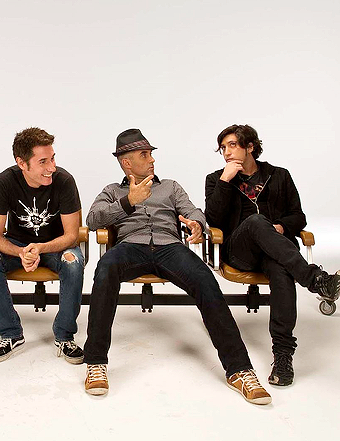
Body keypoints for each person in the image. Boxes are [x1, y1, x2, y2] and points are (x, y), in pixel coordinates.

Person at [83, 128, 271, 405]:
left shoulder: (170, 187)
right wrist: (128, 201)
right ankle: (96, 362)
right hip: (130, 247)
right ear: (126, 162)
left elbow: (193, 211)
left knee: (205, 279)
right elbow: (93, 219)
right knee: (104, 270)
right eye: (144, 155)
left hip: (169, 247)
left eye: (151, 154)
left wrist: (197, 224)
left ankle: (239, 370)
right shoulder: (112, 191)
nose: (152, 160)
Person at [205, 124, 340, 387]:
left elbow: (298, 216)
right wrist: (224, 181)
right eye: (223, 148)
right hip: (239, 251)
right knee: (256, 222)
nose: (226, 152)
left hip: (276, 251)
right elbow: (213, 220)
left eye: (232, 145)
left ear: (250, 147)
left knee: (281, 270)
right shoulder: (216, 178)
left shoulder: (279, 175)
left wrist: (281, 227)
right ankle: (315, 280)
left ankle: (283, 357)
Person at [0, 127, 85, 365]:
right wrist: (20, 252)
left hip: (55, 244)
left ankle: (65, 336)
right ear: (22, 163)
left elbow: (71, 235)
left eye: (53, 158)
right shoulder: (4, 182)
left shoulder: (65, 181)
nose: (52, 167)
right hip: (17, 245)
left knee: (73, 261)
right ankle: (10, 333)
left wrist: (40, 248)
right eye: (43, 162)